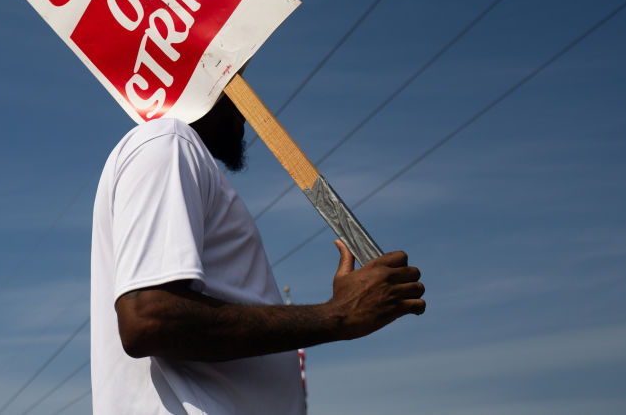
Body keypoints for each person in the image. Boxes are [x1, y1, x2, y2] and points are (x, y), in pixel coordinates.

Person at [90, 93, 425, 414]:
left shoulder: (179, 156)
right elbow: (150, 320)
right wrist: (336, 315)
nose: (248, 108)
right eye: (235, 80)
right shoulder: (167, 142)